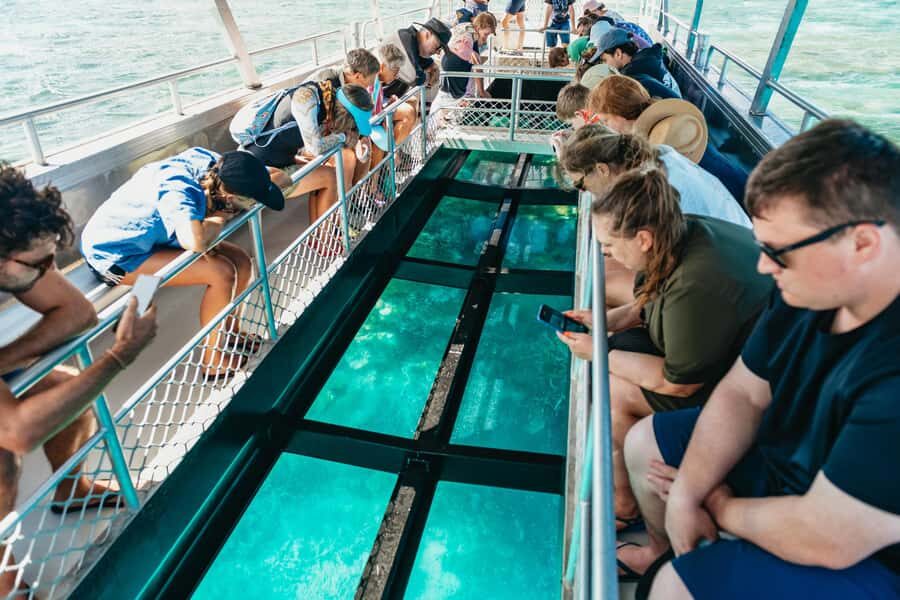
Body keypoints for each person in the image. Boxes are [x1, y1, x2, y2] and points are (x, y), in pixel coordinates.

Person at [619, 120, 900, 599]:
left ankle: (685, 564)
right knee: (646, 443)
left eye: (779, 252)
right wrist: (687, 495)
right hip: (790, 465)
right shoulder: (806, 293)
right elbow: (744, 393)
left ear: (862, 244)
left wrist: (719, 504)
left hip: (865, 553)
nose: (764, 265)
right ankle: (665, 548)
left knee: (674, 588)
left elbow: (827, 536)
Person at [555, 168, 772, 534]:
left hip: (750, 390)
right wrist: (609, 320)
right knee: (616, 358)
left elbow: (680, 384)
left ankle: (628, 507)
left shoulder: (695, 286)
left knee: (612, 391)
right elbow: (653, 295)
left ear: (642, 239)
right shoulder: (685, 230)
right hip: (735, 353)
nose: (605, 252)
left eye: (609, 244)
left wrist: (599, 352)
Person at [0, 164, 157, 595]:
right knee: (2, 463)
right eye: (40, 263)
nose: (52, 268)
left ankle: (72, 489)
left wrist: (5, 358)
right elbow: (17, 432)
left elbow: (77, 313)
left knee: (65, 389)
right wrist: (120, 355)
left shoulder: (13, 251)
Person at [81, 149, 283, 376]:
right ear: (229, 196)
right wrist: (222, 216)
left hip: (153, 237)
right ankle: (212, 361)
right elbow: (194, 241)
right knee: (221, 273)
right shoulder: (180, 191)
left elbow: (282, 178)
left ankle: (231, 332)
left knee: (242, 261)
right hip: (112, 256)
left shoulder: (219, 165)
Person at [229, 78, 377, 225]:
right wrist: (343, 136)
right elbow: (315, 148)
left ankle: (322, 232)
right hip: (259, 173)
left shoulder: (327, 100)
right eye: (352, 125)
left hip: (278, 159)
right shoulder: (306, 100)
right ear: (345, 115)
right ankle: (325, 236)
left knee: (321, 169)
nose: (351, 129)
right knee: (330, 177)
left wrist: (358, 143)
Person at [588, 74, 750, 200]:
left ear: (620, 113)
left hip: (738, 199)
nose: (605, 126)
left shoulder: (665, 140)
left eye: (605, 120)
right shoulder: (660, 124)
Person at [430, 14, 498, 118]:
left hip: (447, 64)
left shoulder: (469, 29)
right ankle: (439, 120)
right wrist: (482, 91)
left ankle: (441, 117)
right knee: (448, 99)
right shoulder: (469, 36)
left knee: (445, 97)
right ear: (479, 27)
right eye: (486, 34)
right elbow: (476, 66)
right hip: (453, 68)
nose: (485, 39)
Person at [596, 28, 681, 98]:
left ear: (618, 54)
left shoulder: (633, 78)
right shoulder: (648, 58)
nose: (604, 64)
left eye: (605, 60)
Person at [380, 18, 452, 100]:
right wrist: (428, 79)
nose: (437, 52)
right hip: (378, 97)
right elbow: (414, 78)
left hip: (391, 96)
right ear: (428, 35)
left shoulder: (413, 43)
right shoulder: (405, 40)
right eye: (438, 47)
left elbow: (421, 60)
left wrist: (433, 66)